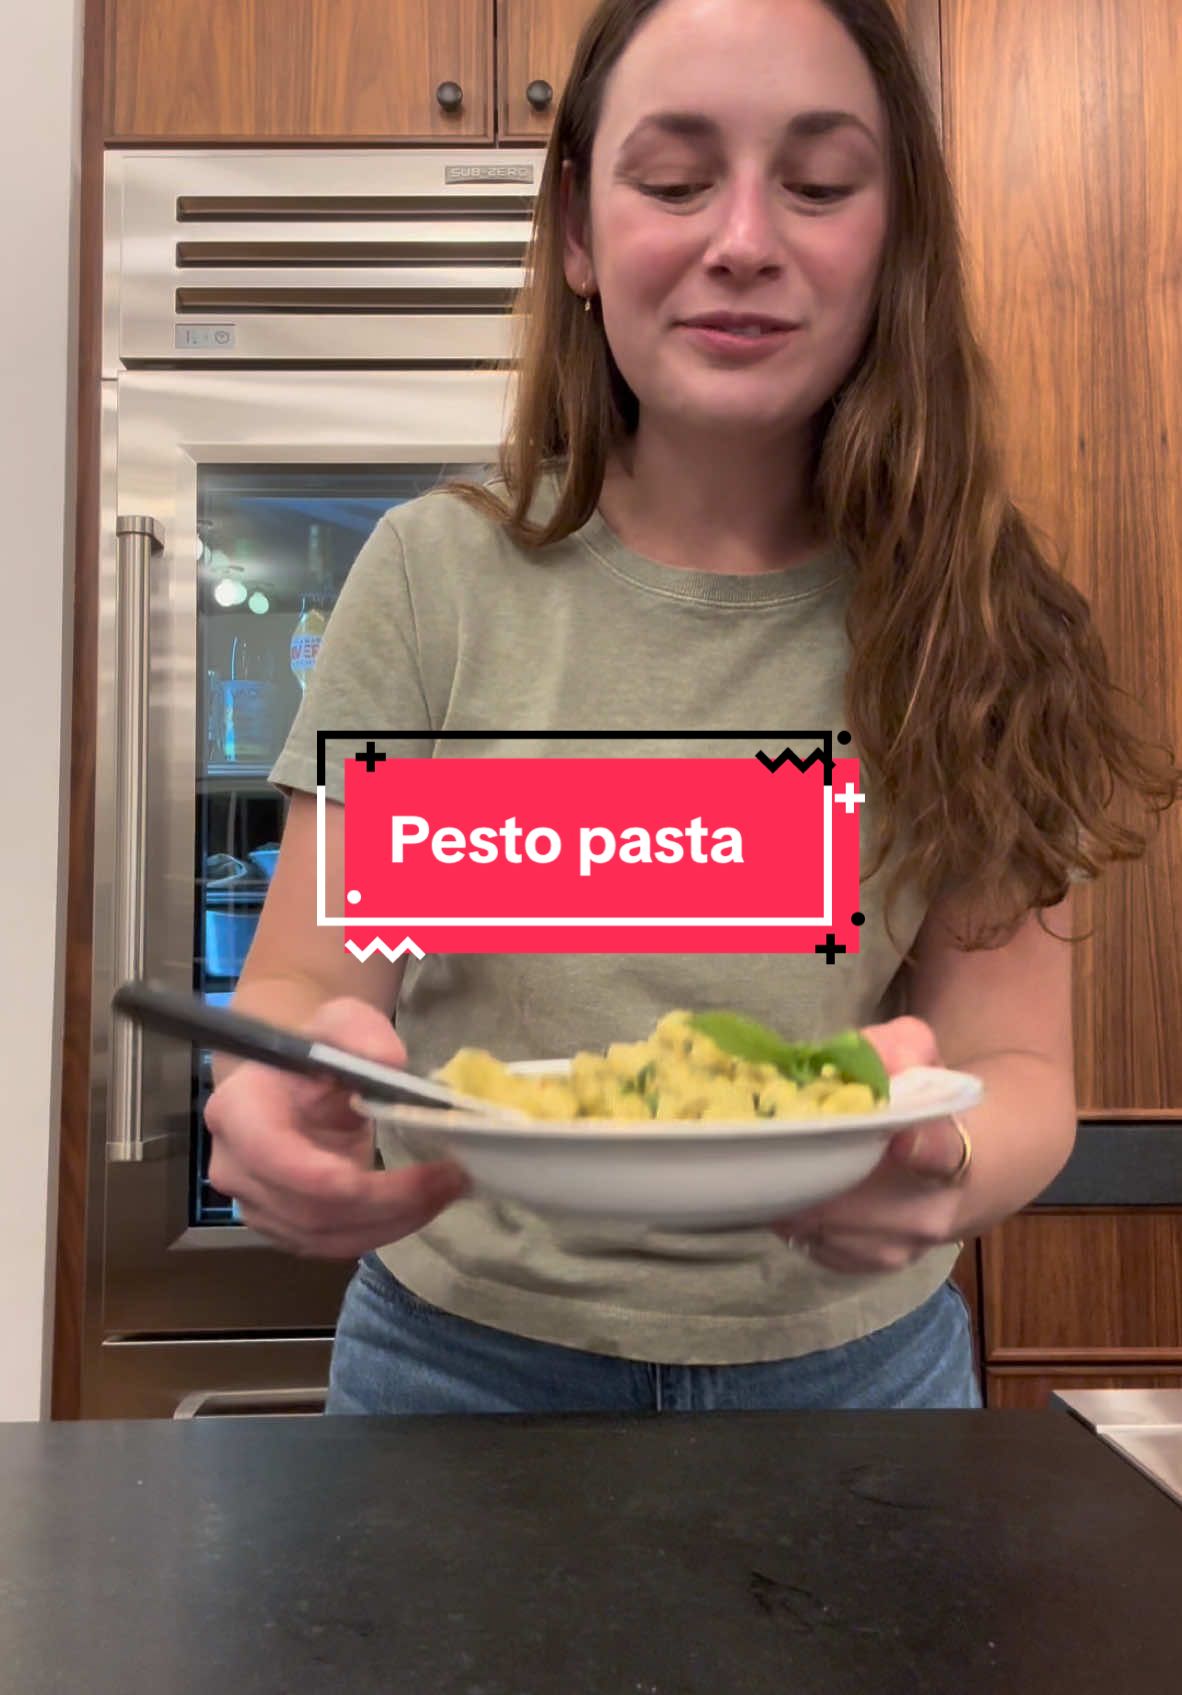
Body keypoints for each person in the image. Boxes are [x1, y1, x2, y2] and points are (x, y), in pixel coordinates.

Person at [206, 0, 1178, 1415]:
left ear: (895, 240)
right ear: (579, 232)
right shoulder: (435, 579)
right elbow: (309, 983)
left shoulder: (977, 618)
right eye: (672, 181)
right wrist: (283, 1084)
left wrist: (945, 1168)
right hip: (456, 1371)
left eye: (820, 184)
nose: (743, 239)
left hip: (855, 1379)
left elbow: (1014, 1061)